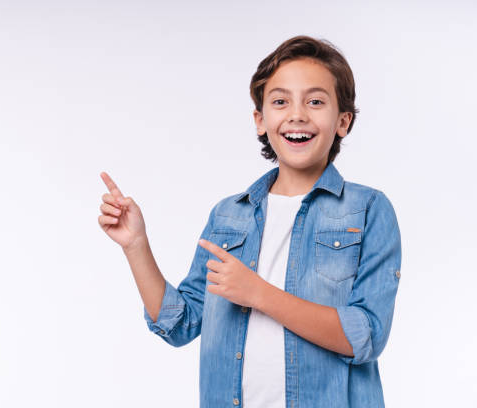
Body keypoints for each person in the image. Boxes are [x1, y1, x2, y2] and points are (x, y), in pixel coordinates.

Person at [98, 35, 402, 408]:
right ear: (260, 120)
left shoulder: (368, 209)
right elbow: (180, 324)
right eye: (280, 101)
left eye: (315, 101)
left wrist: (258, 294)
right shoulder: (229, 214)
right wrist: (135, 245)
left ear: (343, 120)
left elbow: (366, 336)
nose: (297, 114)